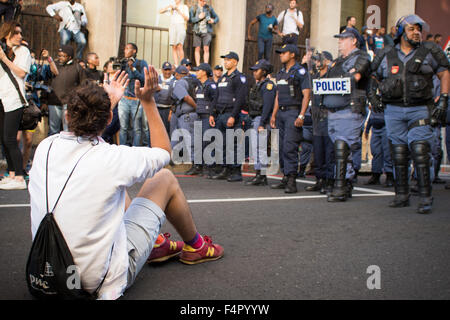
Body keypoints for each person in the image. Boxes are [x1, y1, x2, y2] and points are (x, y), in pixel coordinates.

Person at [28, 68, 224, 300]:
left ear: (68, 115)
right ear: (110, 118)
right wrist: (148, 101)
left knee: (114, 189)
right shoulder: (113, 158)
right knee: (164, 178)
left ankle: (157, 242)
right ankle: (196, 247)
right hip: (95, 283)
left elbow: (84, 130)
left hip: (45, 274)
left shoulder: (46, 147)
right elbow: (163, 152)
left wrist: (102, 104)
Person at [369, 14, 449, 214]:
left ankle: (425, 197)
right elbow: (372, 75)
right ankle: (401, 195)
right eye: (412, 29)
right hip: (393, 110)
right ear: (400, 32)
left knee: (420, 151)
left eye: (418, 29)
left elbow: (445, 73)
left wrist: (445, 99)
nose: (417, 32)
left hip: (420, 108)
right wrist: (372, 95)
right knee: (399, 154)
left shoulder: (430, 50)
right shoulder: (386, 53)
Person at [320, 27, 371, 202]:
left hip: (350, 108)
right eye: (339, 39)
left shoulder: (361, 57)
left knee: (343, 147)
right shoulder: (336, 62)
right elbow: (325, 82)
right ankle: (346, 183)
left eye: (343, 39)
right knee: (339, 151)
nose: (339, 42)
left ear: (353, 40)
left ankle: (341, 186)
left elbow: (353, 78)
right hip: (334, 111)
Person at [269, 44, 311, 193]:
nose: (281, 55)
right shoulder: (280, 73)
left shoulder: (300, 71)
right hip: (281, 113)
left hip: (293, 112)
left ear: (292, 54)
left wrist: (301, 114)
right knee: (280, 147)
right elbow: (278, 96)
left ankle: (292, 180)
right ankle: (286, 176)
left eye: (283, 53)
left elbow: (307, 94)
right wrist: (273, 114)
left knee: (289, 147)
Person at [0, 21, 31, 190]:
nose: (20, 36)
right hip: (1, 98)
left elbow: (20, 72)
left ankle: (20, 177)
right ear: (6, 35)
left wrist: (4, 59)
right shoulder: (3, 50)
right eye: (16, 33)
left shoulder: (23, 51)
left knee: (11, 139)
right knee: (4, 139)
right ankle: (11, 174)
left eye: (20, 33)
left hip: (14, 99)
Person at [210, 51, 248, 182]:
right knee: (223, 144)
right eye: (224, 60)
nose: (225, 62)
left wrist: (233, 116)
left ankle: (236, 171)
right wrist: (212, 114)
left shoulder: (239, 78)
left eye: (228, 60)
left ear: (235, 62)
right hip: (220, 115)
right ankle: (226, 168)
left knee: (233, 144)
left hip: (231, 114)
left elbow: (240, 99)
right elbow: (216, 97)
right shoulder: (222, 78)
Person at [305, 51, 335, 194]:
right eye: (315, 61)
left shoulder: (332, 76)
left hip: (329, 117)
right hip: (317, 117)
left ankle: (329, 181)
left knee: (329, 151)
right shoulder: (315, 77)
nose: (317, 63)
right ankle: (319, 179)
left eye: (319, 60)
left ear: (328, 61)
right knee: (318, 151)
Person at [245, 59, 276, 186]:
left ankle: (261, 175)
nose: (254, 73)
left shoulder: (268, 86)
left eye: (257, 70)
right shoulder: (258, 85)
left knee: (260, 147)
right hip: (255, 118)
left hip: (261, 119)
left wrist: (262, 123)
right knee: (256, 147)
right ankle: (258, 173)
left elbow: (268, 106)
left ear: (264, 71)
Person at [46, 45, 85, 136]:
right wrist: (44, 100)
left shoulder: (77, 67)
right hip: (54, 102)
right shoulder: (54, 66)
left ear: (69, 57)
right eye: (59, 55)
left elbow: (83, 84)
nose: (60, 58)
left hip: (69, 103)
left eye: (63, 56)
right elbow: (47, 83)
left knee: (68, 130)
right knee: (53, 130)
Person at [188, 62, 217, 176]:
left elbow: (215, 101)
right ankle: (198, 166)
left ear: (204, 72)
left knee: (207, 142)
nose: (197, 72)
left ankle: (209, 167)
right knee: (198, 142)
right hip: (199, 116)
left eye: (199, 70)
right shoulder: (199, 86)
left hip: (207, 117)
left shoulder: (211, 86)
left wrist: (212, 114)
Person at [117, 43, 148, 146]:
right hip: (124, 99)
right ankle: (122, 148)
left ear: (134, 51)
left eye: (127, 49)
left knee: (137, 128)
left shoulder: (141, 63)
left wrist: (133, 69)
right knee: (123, 128)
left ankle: (135, 149)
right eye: (124, 49)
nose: (124, 51)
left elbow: (143, 80)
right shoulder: (123, 63)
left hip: (136, 100)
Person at [170, 65, 198, 168]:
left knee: (188, 139)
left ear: (177, 74)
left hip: (186, 115)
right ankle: (173, 158)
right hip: (191, 115)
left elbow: (185, 97)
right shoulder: (195, 81)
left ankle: (193, 164)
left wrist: (196, 107)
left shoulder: (180, 82)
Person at [364, 111, 393, 187]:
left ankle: (390, 176)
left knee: (388, 153)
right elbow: (372, 113)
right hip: (375, 127)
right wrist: (367, 128)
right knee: (376, 152)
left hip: (386, 126)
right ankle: (375, 175)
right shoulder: (374, 100)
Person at [160, 0, 189, 67]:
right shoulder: (171, 7)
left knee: (180, 45)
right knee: (174, 46)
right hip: (172, 26)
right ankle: (176, 64)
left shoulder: (184, 7)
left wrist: (178, 10)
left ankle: (182, 64)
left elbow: (187, 18)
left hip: (181, 25)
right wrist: (168, 7)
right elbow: (160, 11)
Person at [189, 0, 219, 66]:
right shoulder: (193, 8)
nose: (204, 3)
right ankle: (198, 65)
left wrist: (213, 20)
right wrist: (198, 17)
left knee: (206, 48)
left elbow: (217, 18)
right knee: (197, 48)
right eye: (203, 1)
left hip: (207, 31)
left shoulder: (209, 8)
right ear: (199, 0)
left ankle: (205, 65)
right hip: (197, 31)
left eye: (205, 1)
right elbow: (191, 20)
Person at [154, 61, 175, 135]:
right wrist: (154, 88)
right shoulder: (157, 78)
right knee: (155, 129)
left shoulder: (174, 80)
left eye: (169, 70)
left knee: (166, 130)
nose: (167, 72)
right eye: (166, 70)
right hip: (156, 108)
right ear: (162, 70)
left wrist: (171, 112)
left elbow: (175, 98)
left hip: (167, 109)